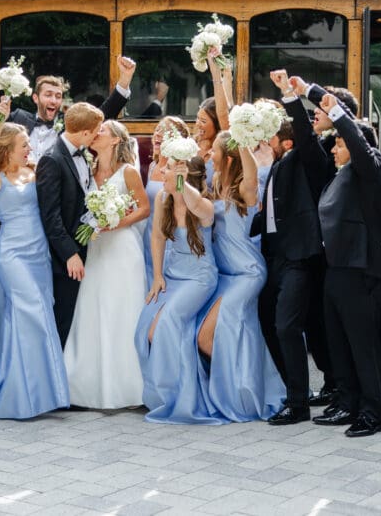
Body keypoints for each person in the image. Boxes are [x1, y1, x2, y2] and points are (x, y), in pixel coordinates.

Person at [291, 80, 381, 437]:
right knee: (339, 342)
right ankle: (347, 403)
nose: (334, 149)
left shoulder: (371, 169)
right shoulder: (340, 174)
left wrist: (314, 93)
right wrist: (295, 98)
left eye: (339, 143)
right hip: (337, 269)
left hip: (360, 270)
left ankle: (371, 414)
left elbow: (354, 135)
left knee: (362, 346)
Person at [0, 98, 69, 419]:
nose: (29, 148)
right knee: (31, 312)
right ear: (7, 149)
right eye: (23, 145)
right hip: (12, 254)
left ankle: (42, 393)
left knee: (35, 314)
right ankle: (23, 393)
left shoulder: (33, 172)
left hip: (39, 254)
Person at [258, 70, 331, 426]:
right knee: (268, 320)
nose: (265, 142)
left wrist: (290, 96)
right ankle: (292, 388)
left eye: (270, 138)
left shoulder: (304, 160)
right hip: (275, 256)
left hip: (300, 258)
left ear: (287, 143)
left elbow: (304, 133)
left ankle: (298, 404)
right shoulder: (275, 164)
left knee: (288, 326)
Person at [197, 131, 284, 422]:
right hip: (224, 275)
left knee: (206, 338)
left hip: (247, 273)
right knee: (229, 336)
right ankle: (240, 388)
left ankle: (237, 393)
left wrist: (243, 138)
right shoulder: (214, 184)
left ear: (229, 157)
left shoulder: (245, 190)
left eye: (215, 151)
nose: (210, 155)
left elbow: (250, 170)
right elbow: (184, 191)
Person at [63, 120, 150, 409]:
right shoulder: (86, 170)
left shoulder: (128, 172)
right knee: (94, 308)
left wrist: (115, 222)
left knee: (122, 310)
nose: (95, 133)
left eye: (102, 130)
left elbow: (144, 209)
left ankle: (128, 388)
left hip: (122, 249)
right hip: (96, 248)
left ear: (115, 140)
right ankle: (87, 387)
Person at [135, 157, 221, 425]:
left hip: (199, 278)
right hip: (173, 275)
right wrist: (157, 276)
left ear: (184, 175)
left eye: (169, 168)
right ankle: (163, 392)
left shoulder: (204, 206)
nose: (162, 171)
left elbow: (195, 205)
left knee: (166, 325)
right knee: (145, 328)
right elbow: (158, 236)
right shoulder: (164, 198)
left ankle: (177, 397)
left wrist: (182, 184)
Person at [0, 47, 137, 163]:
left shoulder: (70, 124)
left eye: (58, 96)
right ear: (35, 98)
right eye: (48, 95)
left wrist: (125, 79)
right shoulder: (18, 118)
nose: (53, 101)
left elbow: (102, 114)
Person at [35, 102, 106, 347]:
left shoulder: (82, 153)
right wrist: (70, 254)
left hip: (83, 248)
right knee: (62, 321)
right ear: (85, 133)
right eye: (96, 131)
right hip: (63, 259)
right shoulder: (51, 160)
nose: (98, 135)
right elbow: (50, 217)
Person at [143, 117, 191, 284]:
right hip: (149, 234)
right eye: (157, 129)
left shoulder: (180, 169)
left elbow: (181, 197)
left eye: (165, 131)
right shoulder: (152, 166)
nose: (158, 134)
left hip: (170, 235)